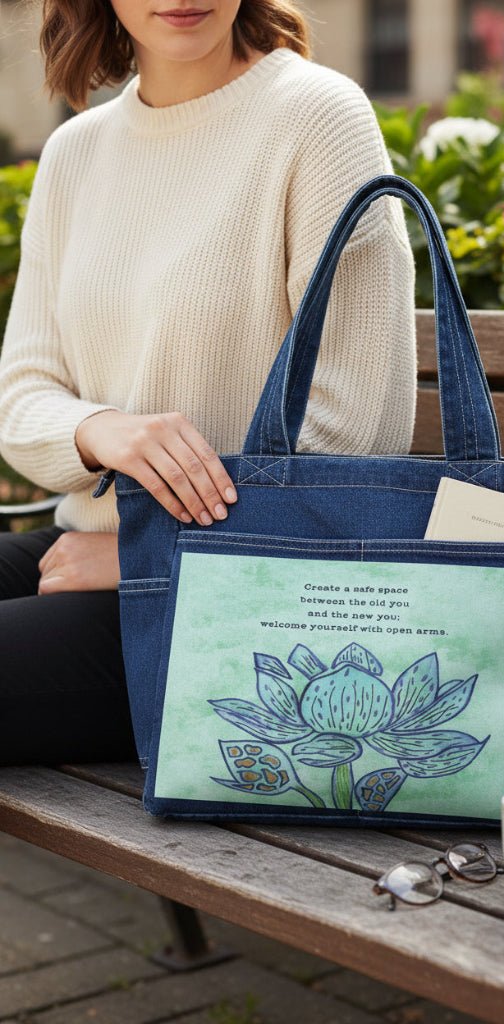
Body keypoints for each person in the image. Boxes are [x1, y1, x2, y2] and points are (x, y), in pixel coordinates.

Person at [0, 1, 417, 764]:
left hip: (252, 593)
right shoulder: (75, 152)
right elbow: (24, 391)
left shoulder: (317, 117)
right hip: (93, 542)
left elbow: (362, 423)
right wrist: (99, 430)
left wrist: (158, 552)